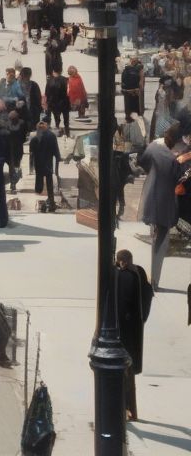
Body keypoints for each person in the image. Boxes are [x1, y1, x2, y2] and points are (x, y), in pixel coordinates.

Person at [137, 124, 191, 288]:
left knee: (157, 240)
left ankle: (154, 280)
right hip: (166, 206)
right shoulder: (174, 160)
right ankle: (154, 281)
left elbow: (144, 163)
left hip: (152, 203)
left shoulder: (154, 148)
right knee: (160, 243)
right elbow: (180, 178)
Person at [114, 249, 153, 422]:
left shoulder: (123, 277)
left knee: (122, 372)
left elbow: (121, 303)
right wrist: (143, 318)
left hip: (123, 332)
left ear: (121, 261)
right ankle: (132, 410)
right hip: (135, 331)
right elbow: (147, 295)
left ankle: (125, 409)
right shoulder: (139, 272)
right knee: (129, 373)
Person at [29, 121, 61, 211]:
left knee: (39, 181)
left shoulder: (34, 139)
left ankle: (40, 199)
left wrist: (31, 167)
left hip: (38, 164)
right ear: (46, 127)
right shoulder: (51, 136)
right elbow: (56, 150)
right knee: (49, 182)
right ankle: (51, 201)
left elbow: (31, 154)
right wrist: (58, 159)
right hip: (48, 163)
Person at [44, 67, 70, 136]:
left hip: (54, 103)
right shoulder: (66, 80)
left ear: (53, 72)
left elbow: (47, 93)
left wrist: (48, 102)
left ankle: (58, 130)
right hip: (64, 102)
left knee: (56, 119)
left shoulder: (50, 81)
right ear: (61, 71)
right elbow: (69, 92)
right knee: (66, 118)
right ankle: (67, 132)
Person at [121, 54, 145, 122]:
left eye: (135, 60)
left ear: (137, 61)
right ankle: (129, 116)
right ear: (130, 60)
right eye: (132, 60)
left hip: (135, 90)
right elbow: (123, 79)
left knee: (135, 104)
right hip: (128, 89)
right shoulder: (127, 68)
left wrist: (140, 89)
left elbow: (141, 79)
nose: (133, 61)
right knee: (129, 105)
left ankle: (135, 116)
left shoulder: (139, 68)